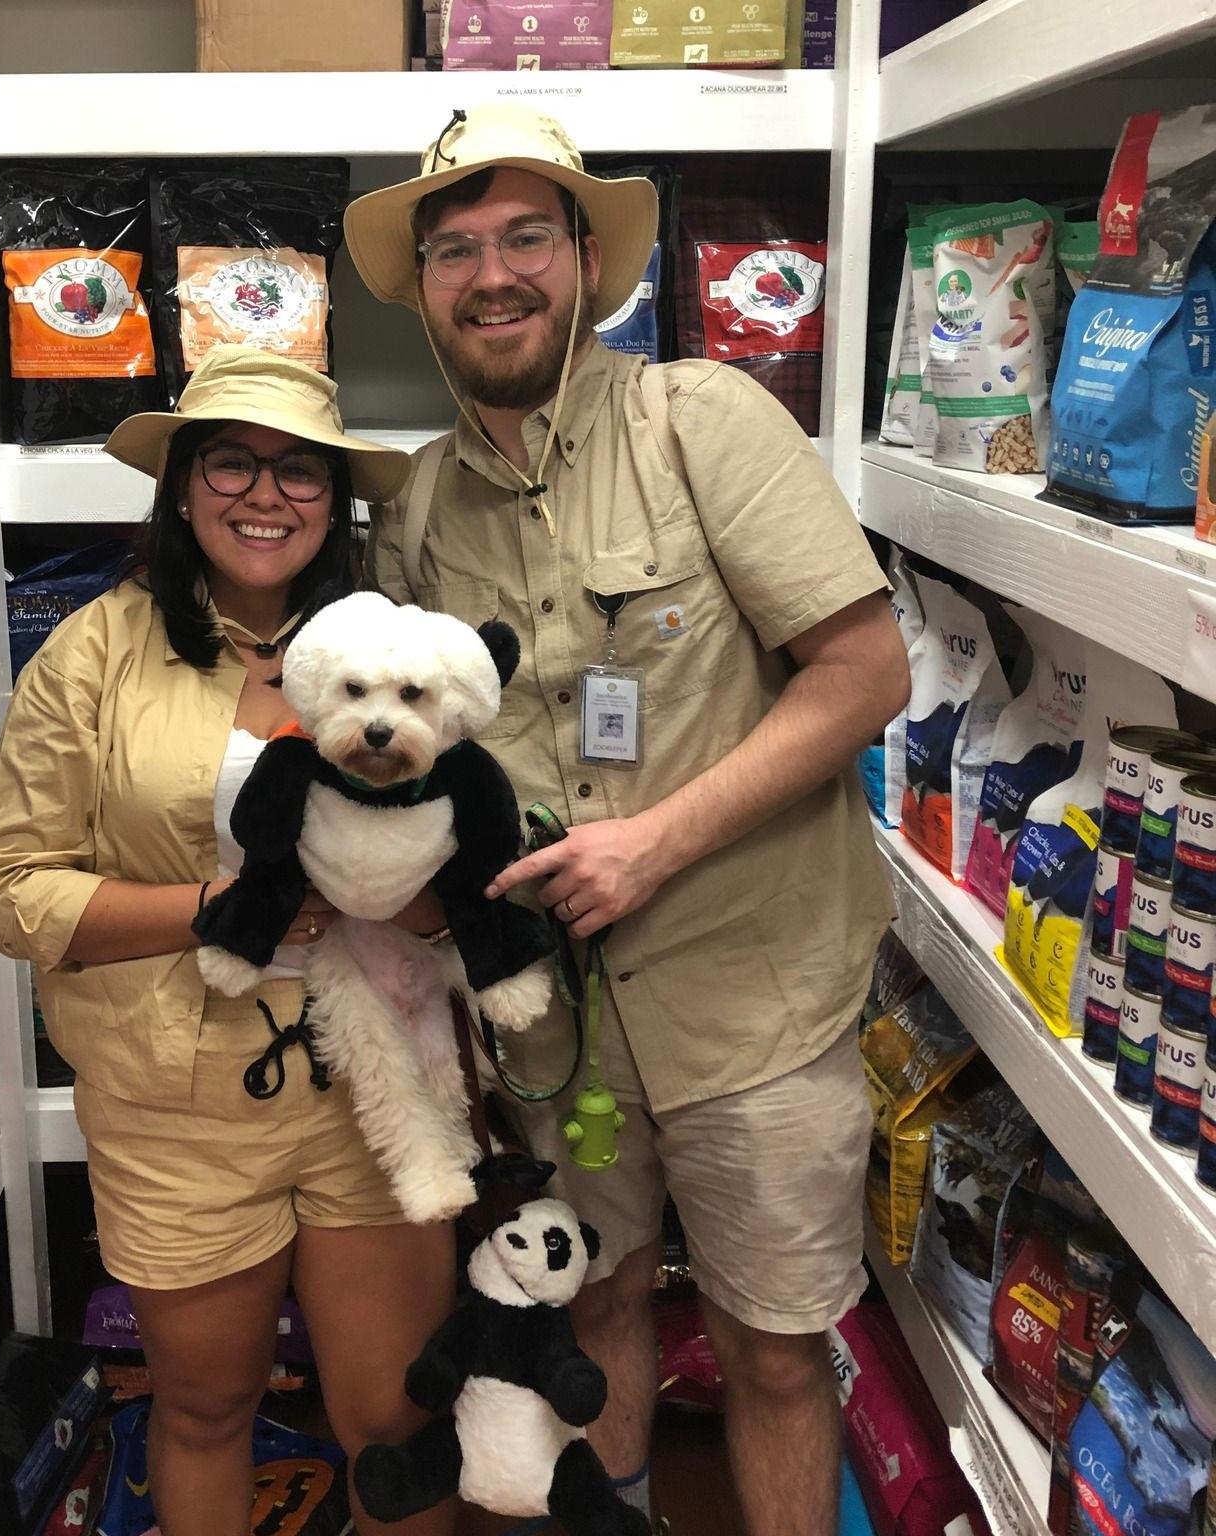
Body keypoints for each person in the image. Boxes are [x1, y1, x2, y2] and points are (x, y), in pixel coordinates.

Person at [347, 105, 910, 1536]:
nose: (493, 274)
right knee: (590, 1307)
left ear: (587, 259)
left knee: (777, 1347)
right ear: (423, 287)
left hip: (751, 1000)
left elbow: (867, 674)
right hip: (556, 1032)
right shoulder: (414, 509)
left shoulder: (703, 421)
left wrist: (653, 842)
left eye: (527, 234)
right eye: (457, 247)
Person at [0, 346, 457, 1536]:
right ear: (182, 487)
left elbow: (476, 853)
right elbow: (13, 892)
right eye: (231, 463)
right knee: (201, 1409)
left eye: (300, 473)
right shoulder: (91, 653)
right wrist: (217, 909)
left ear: (334, 503)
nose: (264, 495)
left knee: (397, 1423)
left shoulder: (400, 648)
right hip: (171, 1109)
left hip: (376, 1091)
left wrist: (396, 891)